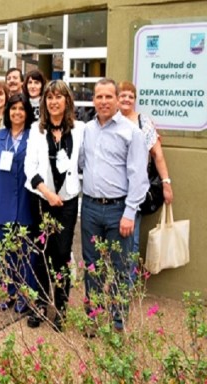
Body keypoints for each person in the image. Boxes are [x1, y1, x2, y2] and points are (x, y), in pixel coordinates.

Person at [79, 78, 149, 331]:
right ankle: (95, 318)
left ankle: (118, 321)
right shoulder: (87, 129)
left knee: (120, 266)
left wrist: (130, 212)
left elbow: (139, 177)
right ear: (93, 100)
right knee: (92, 265)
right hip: (89, 208)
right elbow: (81, 164)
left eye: (109, 96)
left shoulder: (132, 132)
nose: (104, 101)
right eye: (99, 97)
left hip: (119, 210)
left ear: (118, 99)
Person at [24, 80, 84, 330]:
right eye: (49, 97)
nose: (54, 101)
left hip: (67, 202)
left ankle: (60, 307)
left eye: (59, 97)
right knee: (40, 254)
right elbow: (29, 167)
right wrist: (47, 193)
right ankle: (40, 304)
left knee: (61, 255)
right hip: (41, 199)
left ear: (67, 101)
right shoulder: (36, 130)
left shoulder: (80, 129)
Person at [0, 93, 34, 310]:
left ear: (27, 112)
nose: (17, 113)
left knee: (23, 255)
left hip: (24, 205)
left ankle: (22, 294)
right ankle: (3, 291)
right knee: (0, 253)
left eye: (21, 109)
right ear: (7, 112)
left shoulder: (34, 137)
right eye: (13, 109)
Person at [117, 81, 173, 270]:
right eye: (123, 95)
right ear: (117, 98)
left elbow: (157, 154)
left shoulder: (143, 122)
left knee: (130, 239)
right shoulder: (110, 120)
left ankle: (127, 285)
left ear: (134, 100)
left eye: (130, 96)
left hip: (135, 189)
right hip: (112, 190)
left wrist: (166, 183)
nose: (126, 99)